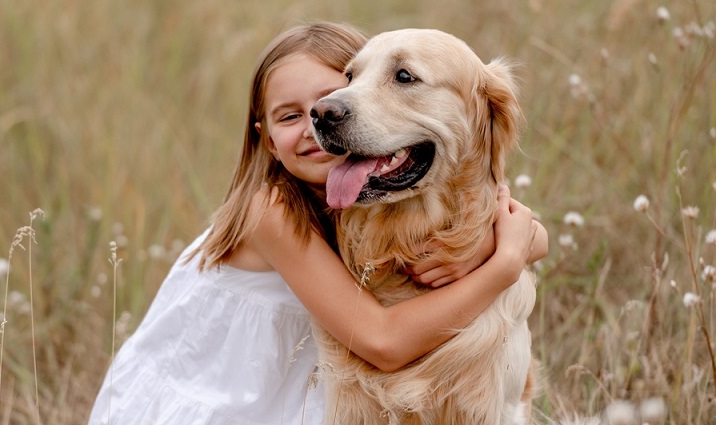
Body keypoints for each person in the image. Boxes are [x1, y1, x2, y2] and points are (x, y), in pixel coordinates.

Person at [88, 22, 547, 425]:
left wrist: (508, 244)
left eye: (403, 77)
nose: (325, 115)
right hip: (221, 402)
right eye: (291, 116)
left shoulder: (363, 191)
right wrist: (502, 265)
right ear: (265, 139)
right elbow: (382, 341)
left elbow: (525, 228)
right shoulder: (272, 210)